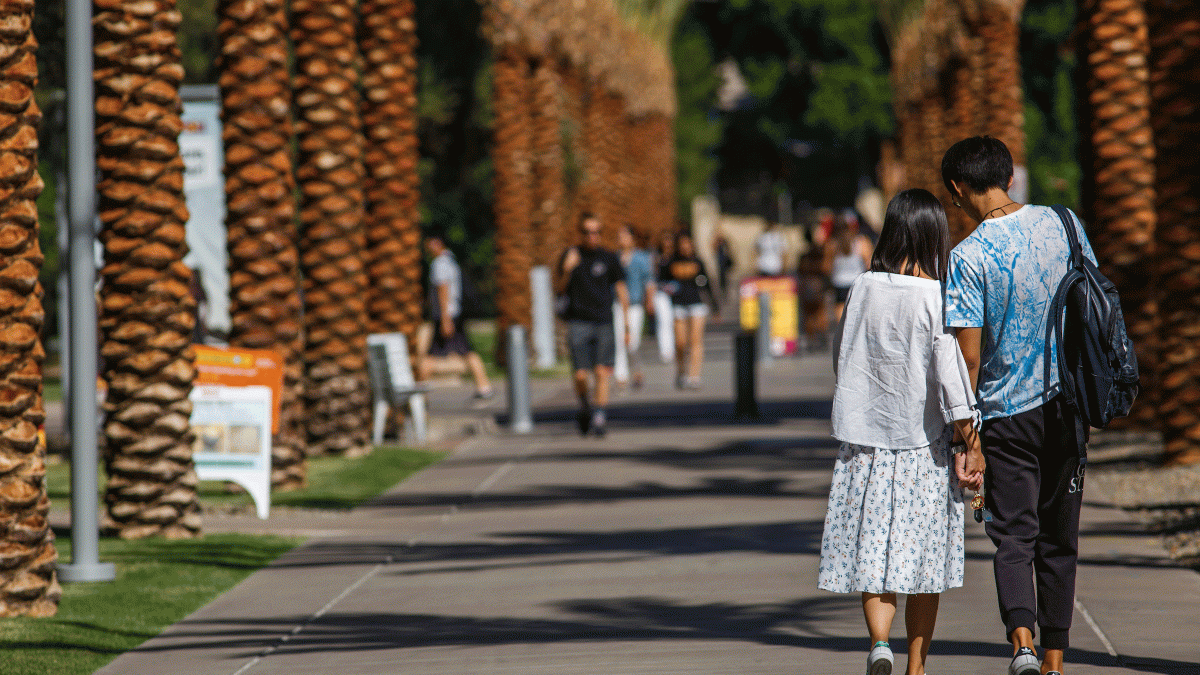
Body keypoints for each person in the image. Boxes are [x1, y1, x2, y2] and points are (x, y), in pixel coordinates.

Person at [941, 136, 1098, 675]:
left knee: (1013, 537)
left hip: (1006, 415)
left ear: (958, 189)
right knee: (1060, 537)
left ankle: (1022, 645)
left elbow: (968, 356)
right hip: (1068, 407)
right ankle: (1055, 659)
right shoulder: (1066, 225)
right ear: (1009, 177)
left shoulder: (967, 256)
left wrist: (967, 437)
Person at [818, 188, 985, 675]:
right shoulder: (935, 297)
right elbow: (952, 380)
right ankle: (915, 666)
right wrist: (971, 442)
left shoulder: (862, 288)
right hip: (922, 448)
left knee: (873, 555)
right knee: (924, 566)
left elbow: (841, 358)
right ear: (935, 235)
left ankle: (879, 643)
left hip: (863, 445)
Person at [558, 213, 630, 437]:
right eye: (587, 232)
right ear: (580, 234)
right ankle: (584, 406)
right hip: (578, 320)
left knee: (601, 371)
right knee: (580, 374)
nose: (592, 236)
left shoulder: (608, 258)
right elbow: (558, 289)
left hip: (603, 321)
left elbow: (621, 289)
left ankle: (599, 415)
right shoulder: (571, 256)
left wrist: (627, 324)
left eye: (596, 232)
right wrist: (567, 269)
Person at [418, 236, 494, 399]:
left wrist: (445, 319)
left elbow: (443, 289)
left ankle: (419, 394)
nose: (427, 246)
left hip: (446, 316)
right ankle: (484, 386)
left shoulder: (440, 264)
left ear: (438, 243)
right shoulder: (451, 261)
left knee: (432, 355)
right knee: (467, 351)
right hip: (454, 314)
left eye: (430, 242)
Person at [660, 232, 717, 390]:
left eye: (688, 244)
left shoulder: (698, 262)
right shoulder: (671, 262)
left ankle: (694, 376)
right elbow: (661, 281)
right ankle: (681, 371)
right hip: (678, 304)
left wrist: (715, 306)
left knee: (695, 341)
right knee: (680, 343)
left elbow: (707, 284)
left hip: (697, 304)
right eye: (682, 244)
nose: (685, 247)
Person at [613, 224, 654, 390]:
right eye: (619, 236)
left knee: (632, 342)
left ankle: (636, 368)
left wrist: (650, 300)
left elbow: (648, 280)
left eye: (624, 235)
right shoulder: (615, 258)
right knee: (619, 339)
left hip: (635, 305)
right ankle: (621, 376)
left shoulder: (641, 258)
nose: (621, 239)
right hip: (617, 304)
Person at [822, 212, 874, 321]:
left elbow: (826, 267)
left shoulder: (832, 244)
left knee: (841, 317)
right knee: (857, 316)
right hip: (857, 283)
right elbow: (869, 264)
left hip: (839, 283)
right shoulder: (861, 242)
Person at [652, 231, 676, 364]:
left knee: (675, 321)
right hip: (661, 293)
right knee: (664, 321)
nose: (667, 243)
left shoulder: (676, 257)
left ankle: (678, 347)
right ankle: (666, 350)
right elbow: (653, 277)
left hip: (676, 293)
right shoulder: (657, 258)